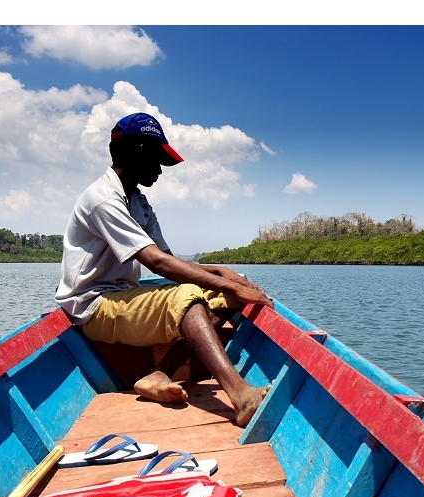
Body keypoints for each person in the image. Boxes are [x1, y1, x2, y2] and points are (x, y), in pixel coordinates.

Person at [55, 112, 272, 428]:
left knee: (222, 292)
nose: (159, 171)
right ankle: (240, 395)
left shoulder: (138, 201)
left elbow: (170, 259)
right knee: (192, 293)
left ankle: (160, 374)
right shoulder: (103, 199)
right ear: (140, 149)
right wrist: (227, 284)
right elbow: (155, 263)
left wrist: (223, 274)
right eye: (157, 160)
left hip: (124, 297)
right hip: (94, 307)